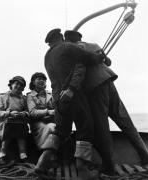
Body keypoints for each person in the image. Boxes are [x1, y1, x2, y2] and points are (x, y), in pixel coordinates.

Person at [64, 30, 148, 172]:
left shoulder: (74, 50)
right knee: (126, 121)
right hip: (109, 82)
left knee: (102, 128)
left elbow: (80, 70)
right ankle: (146, 155)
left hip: (95, 88)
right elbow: (108, 62)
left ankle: (109, 166)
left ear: (69, 42)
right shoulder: (94, 45)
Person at [43, 28, 108, 180]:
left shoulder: (47, 56)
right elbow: (88, 58)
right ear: (60, 37)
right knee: (85, 127)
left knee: (60, 131)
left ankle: (41, 163)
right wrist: (99, 57)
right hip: (72, 94)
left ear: (49, 42)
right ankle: (83, 169)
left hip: (58, 97)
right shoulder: (67, 46)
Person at [27, 72, 57, 173]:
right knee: (52, 128)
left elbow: (57, 108)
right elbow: (32, 112)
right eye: (38, 78)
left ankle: (46, 161)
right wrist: (48, 112)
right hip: (38, 124)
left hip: (51, 121)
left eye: (43, 79)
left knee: (55, 128)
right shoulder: (30, 96)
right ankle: (50, 162)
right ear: (33, 82)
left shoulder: (51, 94)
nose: (41, 80)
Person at [0, 76, 29, 164]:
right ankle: (2, 155)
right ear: (11, 84)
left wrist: (23, 114)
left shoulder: (25, 98)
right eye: (16, 84)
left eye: (21, 85)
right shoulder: (2, 96)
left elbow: (29, 112)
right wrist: (9, 114)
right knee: (10, 125)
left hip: (20, 123)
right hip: (6, 124)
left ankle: (23, 155)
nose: (19, 86)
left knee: (21, 127)